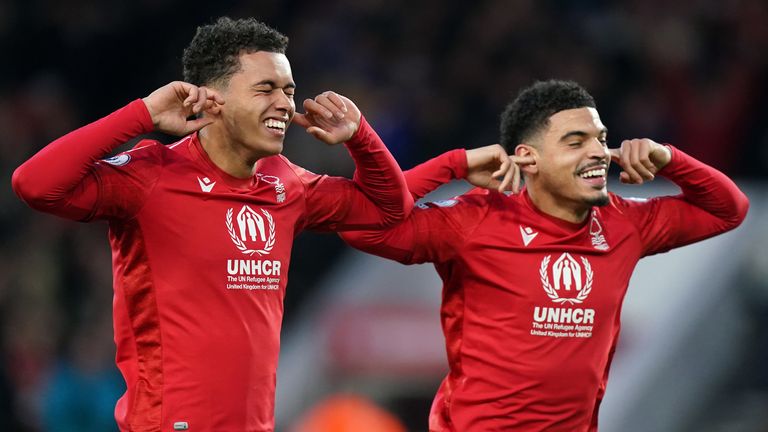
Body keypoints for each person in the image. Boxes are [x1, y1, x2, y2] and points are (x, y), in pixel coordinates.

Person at [12, 17, 412, 432]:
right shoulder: (152, 175)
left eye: (289, 91)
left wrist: (360, 136)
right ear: (213, 98)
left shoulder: (287, 181)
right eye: (266, 89)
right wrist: (142, 114)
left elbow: (389, 210)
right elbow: (35, 184)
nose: (285, 104)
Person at [340, 80, 749, 431]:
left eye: (601, 139)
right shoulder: (476, 219)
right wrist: (454, 163)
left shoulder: (625, 222)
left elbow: (728, 209)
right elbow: (360, 223)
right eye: (576, 142)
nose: (598, 153)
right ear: (528, 158)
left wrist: (672, 160)